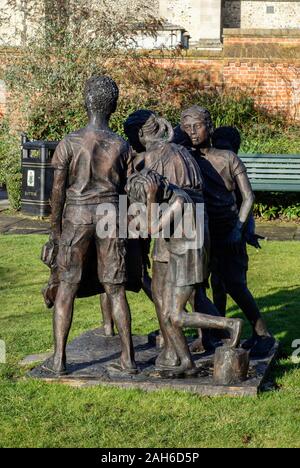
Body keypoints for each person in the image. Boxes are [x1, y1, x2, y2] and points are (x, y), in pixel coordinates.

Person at [45, 75, 137, 375]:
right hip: (110, 215)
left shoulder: (69, 142)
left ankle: (58, 359)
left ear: (86, 102)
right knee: (115, 289)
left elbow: (57, 191)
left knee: (66, 288)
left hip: (77, 216)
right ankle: (128, 359)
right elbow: (127, 192)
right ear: (114, 107)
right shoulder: (122, 146)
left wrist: (55, 232)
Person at [126, 169, 243, 375]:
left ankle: (230, 324)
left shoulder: (178, 200)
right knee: (168, 315)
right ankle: (187, 363)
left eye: (145, 198)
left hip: (188, 261)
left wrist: (151, 197)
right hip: (177, 255)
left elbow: (153, 229)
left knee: (176, 317)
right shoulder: (170, 194)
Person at [179, 106, 275, 357]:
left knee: (235, 285)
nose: (192, 132)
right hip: (201, 233)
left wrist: (238, 229)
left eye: (197, 125)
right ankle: (209, 335)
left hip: (227, 231)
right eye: (186, 127)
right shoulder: (186, 158)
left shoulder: (228, 157)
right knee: (198, 287)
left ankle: (262, 333)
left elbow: (248, 197)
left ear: (209, 127)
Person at [210, 126, 265, 316]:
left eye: (227, 148)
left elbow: (248, 203)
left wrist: (244, 231)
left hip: (234, 233)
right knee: (217, 282)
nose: (223, 152)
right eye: (218, 147)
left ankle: (258, 329)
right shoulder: (212, 165)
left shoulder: (234, 166)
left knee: (238, 282)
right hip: (215, 232)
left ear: (235, 149)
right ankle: (220, 323)